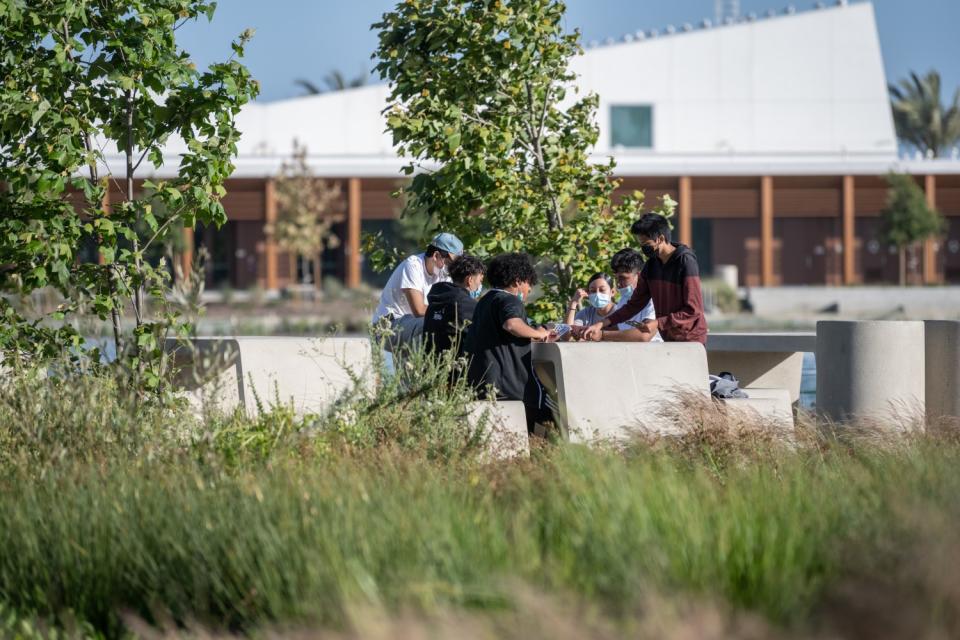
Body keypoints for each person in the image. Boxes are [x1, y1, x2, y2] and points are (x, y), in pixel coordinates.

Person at [584, 213, 707, 343]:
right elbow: (634, 305)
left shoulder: (685, 261)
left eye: (646, 244)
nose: (643, 249)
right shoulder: (651, 265)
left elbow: (693, 310)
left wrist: (657, 323)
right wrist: (601, 324)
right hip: (670, 339)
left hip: (691, 339)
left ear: (660, 238)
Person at [465, 253, 551, 433]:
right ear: (518, 281)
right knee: (547, 413)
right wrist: (539, 334)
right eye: (529, 284)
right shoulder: (509, 299)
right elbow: (511, 324)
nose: (528, 291)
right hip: (510, 382)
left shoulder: (485, 301)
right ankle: (545, 455)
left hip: (482, 379)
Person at [371, 232, 463, 351]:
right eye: (450, 263)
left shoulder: (443, 273)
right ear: (436, 256)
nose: (452, 268)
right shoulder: (413, 265)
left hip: (410, 326)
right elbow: (419, 310)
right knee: (437, 325)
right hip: (387, 326)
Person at [564, 262, 660, 342]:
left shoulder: (621, 309)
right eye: (593, 291)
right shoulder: (586, 313)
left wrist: (601, 334)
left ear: (612, 292)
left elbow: (638, 330)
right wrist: (573, 303)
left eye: (602, 290)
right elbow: (566, 336)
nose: (597, 294)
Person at [422, 254, 485, 357]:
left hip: (431, 363)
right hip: (455, 367)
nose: (480, 285)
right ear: (470, 280)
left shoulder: (437, 297)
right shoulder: (467, 305)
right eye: (480, 281)